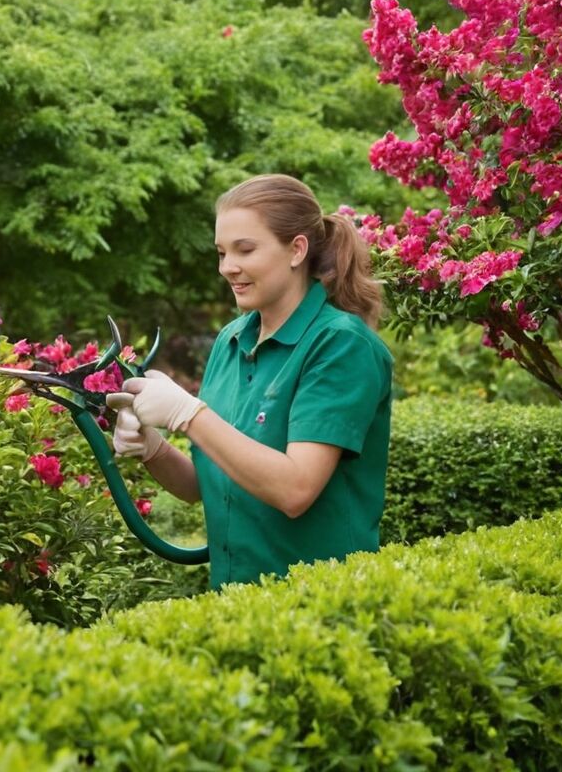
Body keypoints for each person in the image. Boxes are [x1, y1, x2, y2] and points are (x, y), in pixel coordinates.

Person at [107, 174, 393, 588]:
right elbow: (203, 486)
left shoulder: (341, 346)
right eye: (222, 253)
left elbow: (295, 489)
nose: (228, 268)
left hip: (320, 605)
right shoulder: (231, 340)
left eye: (245, 250)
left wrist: (188, 414)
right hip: (237, 601)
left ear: (297, 249)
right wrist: (153, 448)